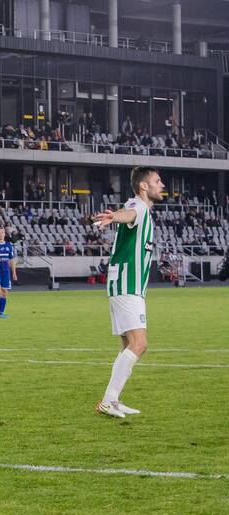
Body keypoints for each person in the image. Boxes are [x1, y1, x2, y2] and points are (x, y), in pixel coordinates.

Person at [92, 166, 162, 418]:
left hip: (125, 284)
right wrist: (114, 217)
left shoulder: (142, 209)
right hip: (126, 285)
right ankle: (108, 401)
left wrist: (116, 217)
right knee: (139, 344)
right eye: (157, 180)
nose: (161, 184)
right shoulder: (139, 206)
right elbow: (128, 213)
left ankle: (114, 400)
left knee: (127, 345)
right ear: (144, 186)